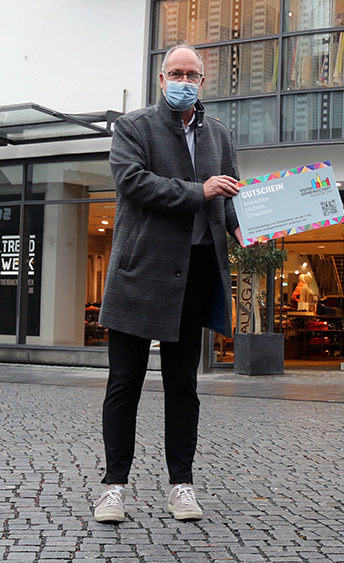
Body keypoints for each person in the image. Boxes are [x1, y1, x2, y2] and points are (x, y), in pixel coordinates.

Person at [94, 44, 243, 523]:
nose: (183, 81)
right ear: (161, 80)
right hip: (139, 273)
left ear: (202, 81)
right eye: (175, 73)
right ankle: (114, 487)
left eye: (191, 75)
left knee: (183, 386)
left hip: (194, 274)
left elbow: (230, 196)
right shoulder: (133, 127)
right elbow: (133, 182)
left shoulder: (220, 134)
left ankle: (182, 485)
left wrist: (245, 225)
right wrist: (199, 191)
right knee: (124, 384)